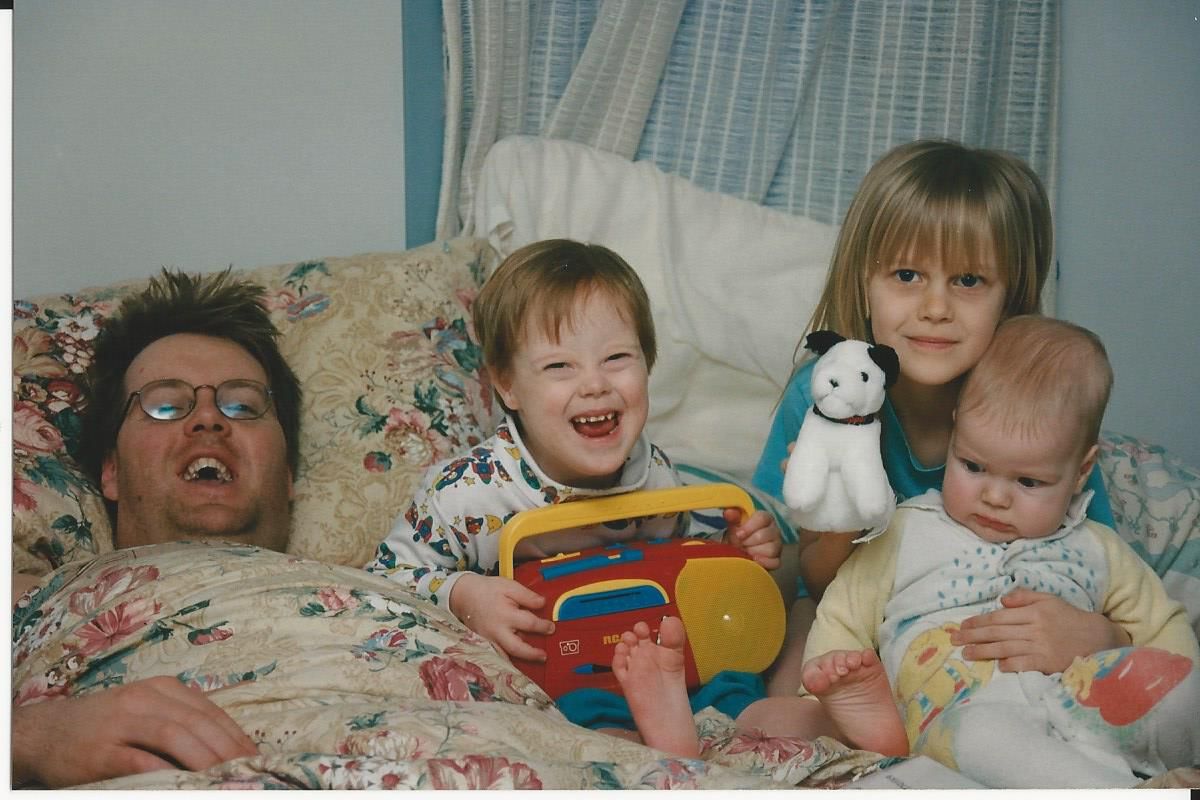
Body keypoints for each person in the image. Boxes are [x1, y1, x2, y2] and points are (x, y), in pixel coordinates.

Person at [367, 239, 822, 755]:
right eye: (559, 367)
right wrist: (463, 594)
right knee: (582, 734)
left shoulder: (655, 471)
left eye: (617, 358)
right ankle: (660, 750)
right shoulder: (466, 493)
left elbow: (687, 557)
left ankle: (824, 718)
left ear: (647, 364)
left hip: (672, 664)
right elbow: (384, 580)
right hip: (567, 685)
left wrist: (735, 549)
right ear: (508, 386)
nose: (594, 385)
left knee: (742, 689)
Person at [754, 139, 1129, 695]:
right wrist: (841, 520)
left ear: (1011, 296)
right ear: (864, 282)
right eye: (907, 275)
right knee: (792, 679)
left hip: (977, 621)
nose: (935, 308)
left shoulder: (1037, 412)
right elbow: (818, 580)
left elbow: (1113, 580)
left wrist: (1101, 635)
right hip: (852, 613)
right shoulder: (826, 396)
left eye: (969, 281)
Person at [800, 316, 1200, 787]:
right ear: (955, 434)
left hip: (1088, 709)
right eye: (973, 466)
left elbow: (1165, 632)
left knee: (1186, 690)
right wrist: (823, 694)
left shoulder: (1098, 547)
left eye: (1028, 481)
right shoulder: (905, 530)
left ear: (1080, 472)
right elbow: (843, 615)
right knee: (981, 734)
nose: (994, 496)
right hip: (966, 718)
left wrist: (1121, 649)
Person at [11, 269, 303, 788]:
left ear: (286, 475)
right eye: (165, 405)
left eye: (242, 405)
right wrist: (29, 740)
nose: (208, 419)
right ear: (112, 470)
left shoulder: (418, 588)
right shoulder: (28, 602)